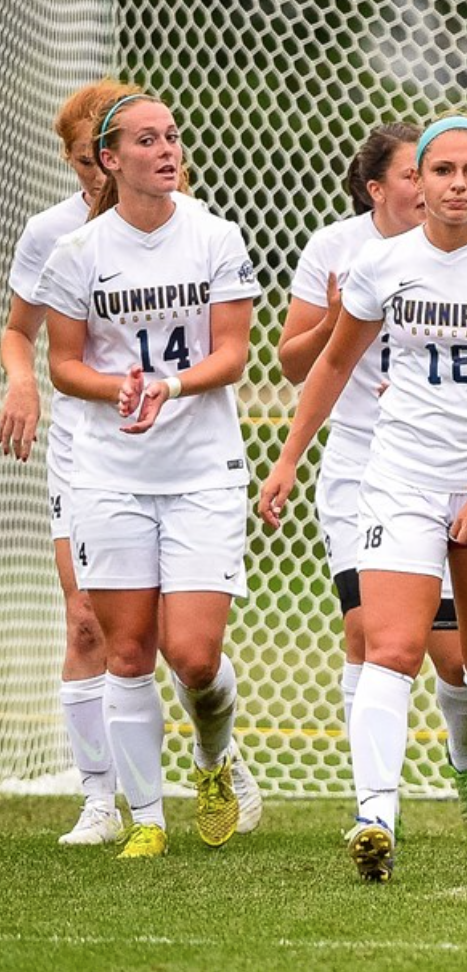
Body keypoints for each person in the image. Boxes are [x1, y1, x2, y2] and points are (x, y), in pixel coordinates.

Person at [259, 116, 467, 883]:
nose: (458, 184)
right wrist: (288, 457)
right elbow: (329, 366)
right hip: (399, 476)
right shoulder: (380, 264)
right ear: (417, 184)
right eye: (443, 171)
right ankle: (376, 817)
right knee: (388, 652)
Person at [36, 90, 262, 859]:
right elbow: (64, 364)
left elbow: (232, 353)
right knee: (126, 650)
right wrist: (118, 388)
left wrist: (173, 384)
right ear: (110, 160)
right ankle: (145, 820)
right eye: (146, 140)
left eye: (171, 136)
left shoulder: (216, 237)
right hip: (108, 472)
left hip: (202, 467)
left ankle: (211, 761)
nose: (166, 150)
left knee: (194, 655)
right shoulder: (76, 255)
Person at [279, 123, 467, 831]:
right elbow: (300, 364)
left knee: (457, 661)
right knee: (369, 633)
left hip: (448, 466)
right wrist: (287, 459)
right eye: (416, 174)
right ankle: (375, 809)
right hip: (363, 466)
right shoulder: (339, 252)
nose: (436, 186)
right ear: (383, 188)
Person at [2, 79, 127, 846]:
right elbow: (19, 330)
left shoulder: (192, 232)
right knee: (84, 621)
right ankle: (99, 802)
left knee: (179, 646)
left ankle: (218, 754)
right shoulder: (50, 234)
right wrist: (22, 379)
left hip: (172, 453)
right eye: (85, 162)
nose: (97, 178)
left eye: (103, 160)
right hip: (82, 449)